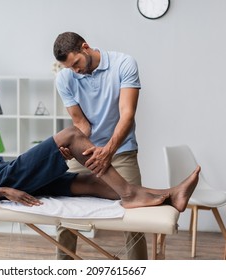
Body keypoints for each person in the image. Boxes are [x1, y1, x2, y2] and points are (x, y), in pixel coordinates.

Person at [0, 126, 200, 214]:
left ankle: (169, 196)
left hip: (8, 173)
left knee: (87, 181)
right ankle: (130, 194)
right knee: (72, 135)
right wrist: (4, 191)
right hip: (3, 179)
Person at [53, 32, 148, 259]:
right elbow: (81, 123)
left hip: (121, 150)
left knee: (135, 214)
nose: (75, 70)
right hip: (86, 152)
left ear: (85, 47)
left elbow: (127, 114)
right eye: (69, 67)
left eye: (76, 63)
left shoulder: (123, 64)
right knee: (66, 215)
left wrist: (108, 151)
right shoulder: (65, 78)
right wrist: (72, 147)